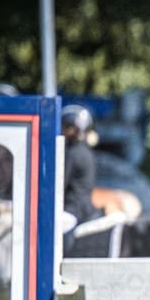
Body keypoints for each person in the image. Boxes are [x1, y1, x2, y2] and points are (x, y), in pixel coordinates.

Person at [61, 104, 99, 246]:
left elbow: (61, 183)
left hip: (73, 208)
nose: (61, 131)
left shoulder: (73, 153)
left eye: (64, 127)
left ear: (73, 130)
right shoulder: (85, 151)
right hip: (84, 204)